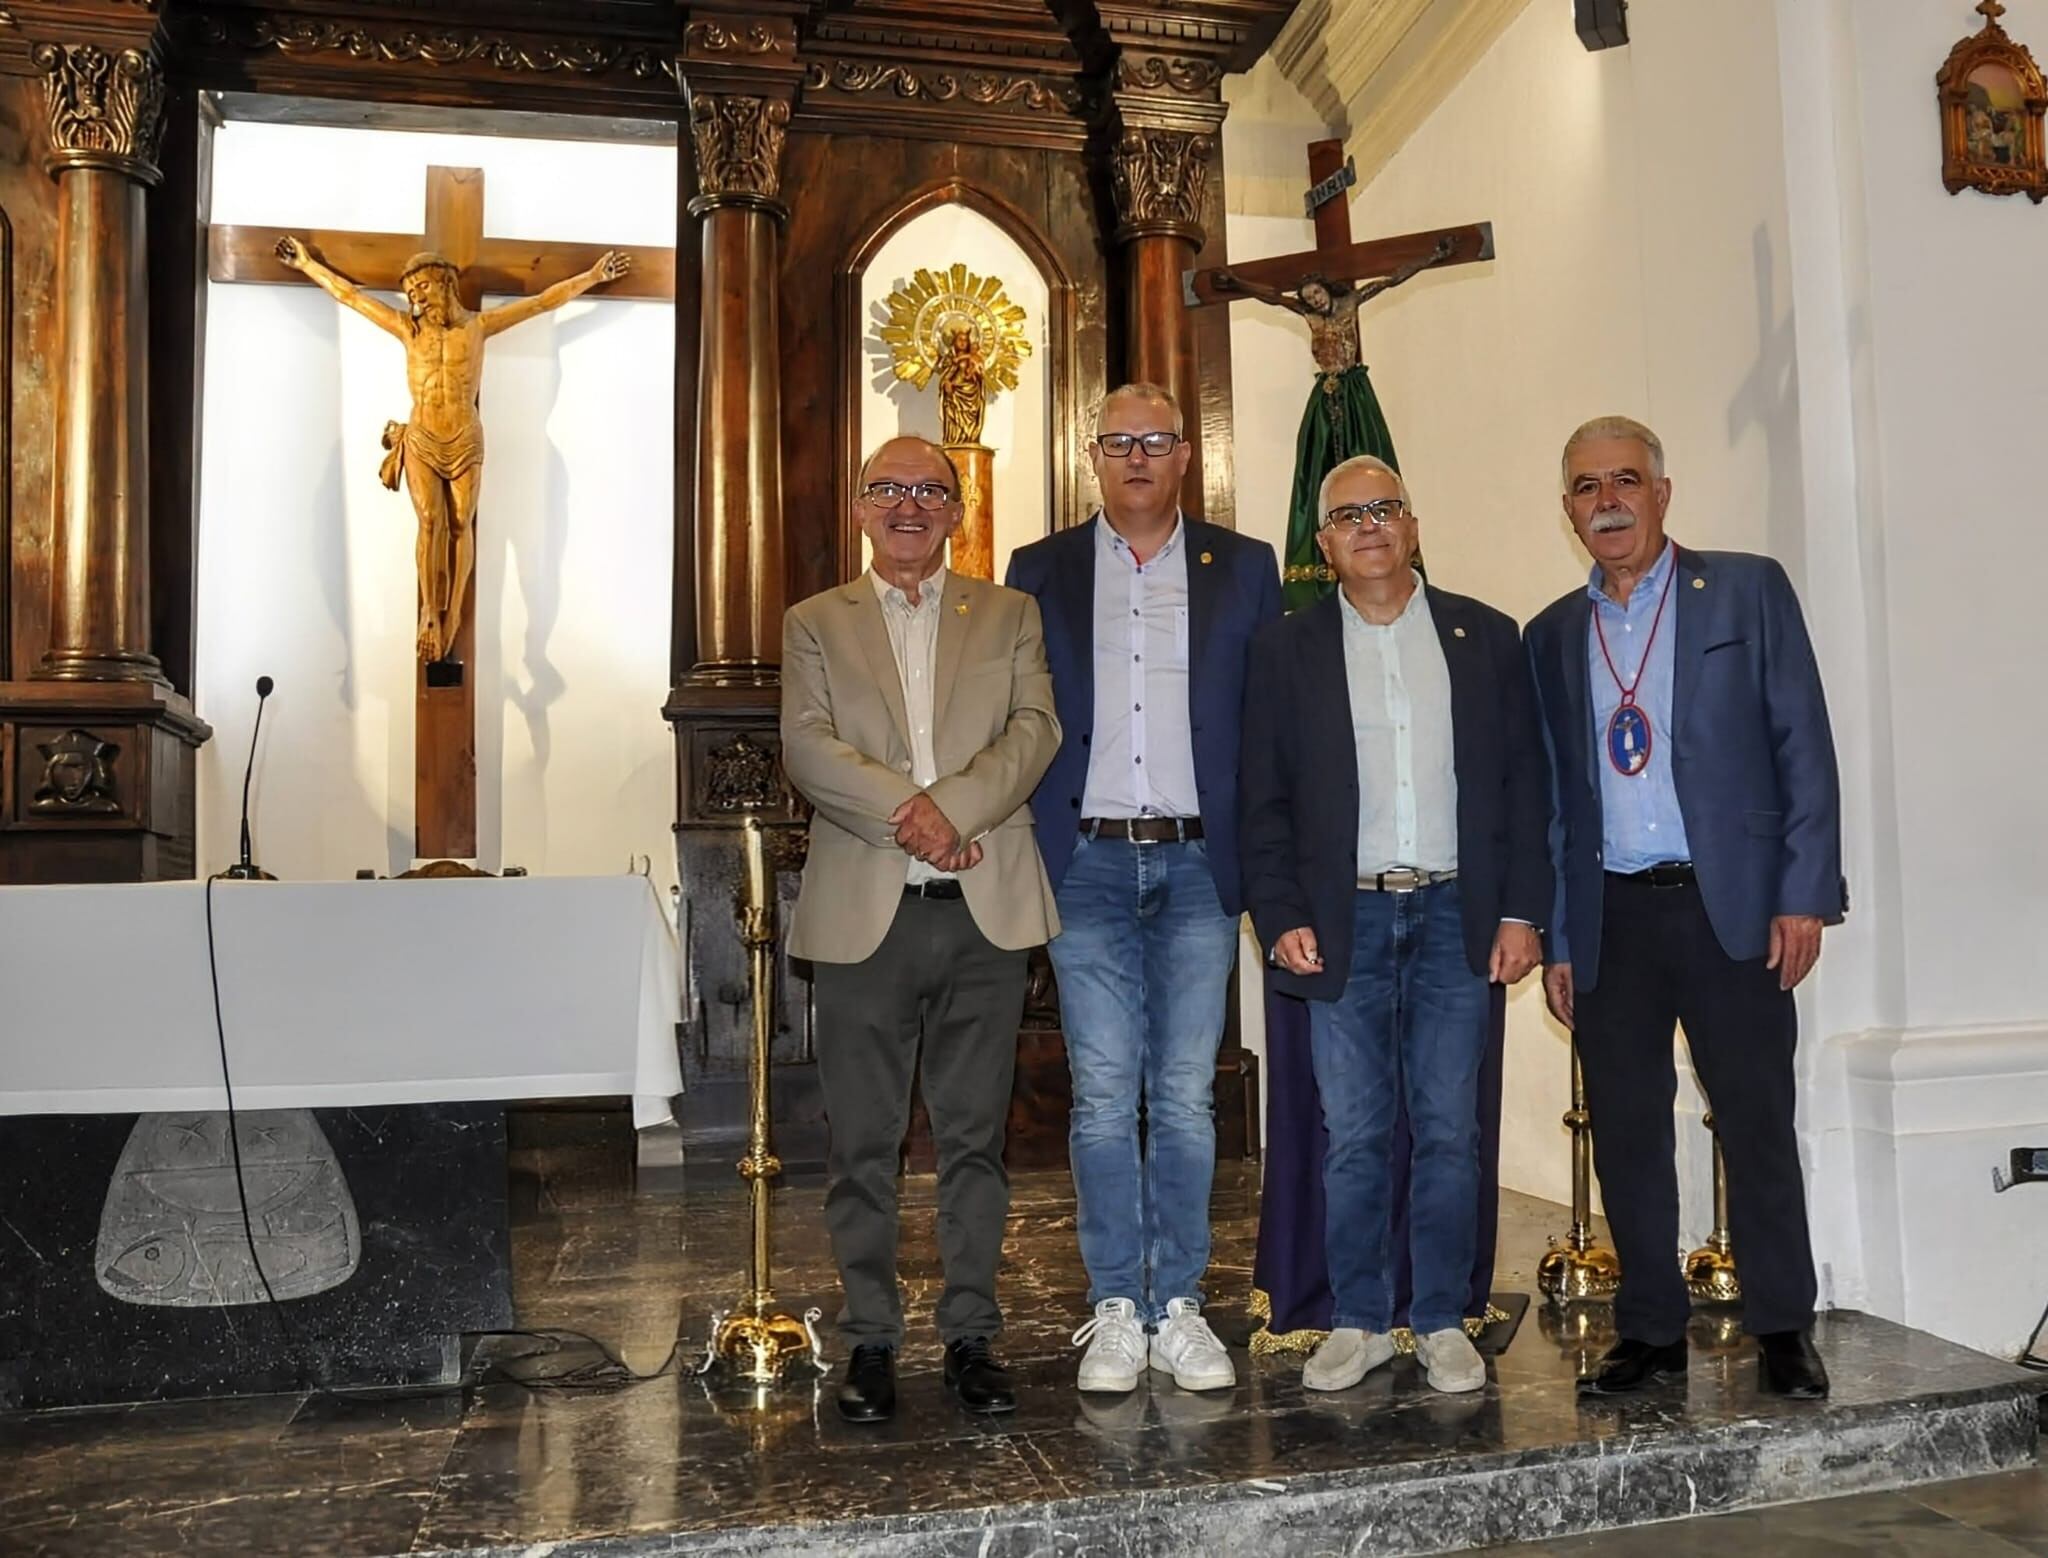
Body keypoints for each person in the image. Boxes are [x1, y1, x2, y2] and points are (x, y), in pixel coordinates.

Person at [1526, 415, 1845, 1400]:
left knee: (1753, 1118)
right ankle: (1649, 1332)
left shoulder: (1745, 590)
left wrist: (1800, 894)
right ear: (1567, 509)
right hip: (1610, 917)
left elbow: (1802, 745)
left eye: (1624, 479)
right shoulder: (1548, 634)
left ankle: (1782, 1325)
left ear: (1662, 491)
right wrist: (1556, 934)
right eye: (1585, 486)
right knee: (1624, 1126)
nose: (1606, 499)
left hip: (1730, 907)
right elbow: (1546, 797)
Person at [1240, 456, 1550, 1395]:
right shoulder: (1284, 648)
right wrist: (1280, 912)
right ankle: (1361, 1319)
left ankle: (1443, 1319)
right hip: (1344, 923)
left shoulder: (1488, 638)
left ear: (1412, 526)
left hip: (1459, 913)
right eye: (1348, 516)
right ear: (1325, 543)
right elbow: (1263, 799)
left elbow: (1525, 787)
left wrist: (1522, 911)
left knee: (1451, 1128)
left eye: (1385, 509)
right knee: (1356, 1131)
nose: (1369, 525)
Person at [1006, 383, 1282, 1394]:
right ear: (1093, 455)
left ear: (1182, 457)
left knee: (1181, 1096)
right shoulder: (1037, 571)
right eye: (1117, 441)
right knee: (1101, 1094)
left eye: (1154, 441)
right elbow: (1019, 714)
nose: (1135, 457)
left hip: (1196, 863)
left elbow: (1270, 724)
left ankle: (1180, 1306)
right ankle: (1115, 1302)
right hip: (1084, 862)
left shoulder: (1243, 570)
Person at [781, 435, 1061, 1423]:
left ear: (955, 511)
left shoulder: (1010, 613)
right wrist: (914, 812)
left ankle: (972, 1334)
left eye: (928, 491)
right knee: (862, 1143)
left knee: (976, 1139)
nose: (908, 504)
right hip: (865, 915)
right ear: (859, 507)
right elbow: (808, 747)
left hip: (981, 908)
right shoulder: (814, 621)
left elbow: (1035, 730)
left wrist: (952, 811)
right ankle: (867, 1341)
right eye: (888, 488)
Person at [274, 237, 628, 666]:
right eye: (410, 291)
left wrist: (592, 277)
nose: (415, 297)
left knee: (461, 524)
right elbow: (350, 297)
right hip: (422, 434)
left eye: (422, 287)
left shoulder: (477, 328)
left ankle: (454, 612)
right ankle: (428, 610)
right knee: (429, 521)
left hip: (465, 437)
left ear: (445, 284)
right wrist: (309, 265)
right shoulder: (409, 329)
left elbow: (540, 304)